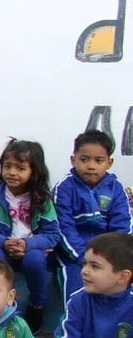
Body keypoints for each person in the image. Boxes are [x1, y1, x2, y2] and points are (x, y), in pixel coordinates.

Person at [0, 139, 59, 331]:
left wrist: (28, 244)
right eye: (8, 166)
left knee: (35, 259)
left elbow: (52, 233)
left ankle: (37, 306)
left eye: (20, 168)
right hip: (2, 248)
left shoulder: (41, 199)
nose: (12, 172)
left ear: (34, 172)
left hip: (30, 250)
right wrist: (4, 242)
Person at [53, 129, 131, 302]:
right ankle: (73, 325)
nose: (91, 166)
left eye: (98, 160)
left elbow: (122, 227)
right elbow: (63, 227)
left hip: (110, 255)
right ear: (73, 160)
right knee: (75, 291)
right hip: (74, 256)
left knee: (122, 289)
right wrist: (84, 258)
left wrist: (110, 258)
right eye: (84, 159)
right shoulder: (64, 188)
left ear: (109, 163)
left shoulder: (116, 189)